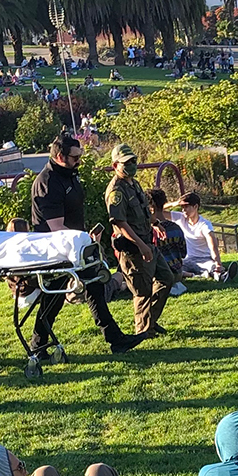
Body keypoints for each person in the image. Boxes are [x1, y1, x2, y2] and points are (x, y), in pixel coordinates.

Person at [28, 136, 144, 355]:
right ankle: (37, 345)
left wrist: (85, 236)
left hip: (75, 245)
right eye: (75, 157)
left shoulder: (69, 175)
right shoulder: (48, 181)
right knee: (54, 297)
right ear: (60, 156)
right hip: (58, 249)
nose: (79, 161)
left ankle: (114, 338)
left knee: (93, 288)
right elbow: (56, 227)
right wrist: (82, 240)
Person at [104, 144, 175, 337]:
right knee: (142, 291)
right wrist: (141, 246)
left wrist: (155, 223)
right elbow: (120, 223)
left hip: (147, 241)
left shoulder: (133, 183)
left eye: (133, 161)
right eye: (127, 162)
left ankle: (150, 320)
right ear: (115, 165)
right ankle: (143, 330)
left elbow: (142, 210)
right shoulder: (116, 191)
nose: (132, 165)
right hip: (133, 248)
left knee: (166, 278)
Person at [168, 192, 237, 284]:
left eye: (186, 207)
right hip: (188, 260)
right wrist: (174, 203)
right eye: (182, 207)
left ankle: (221, 275)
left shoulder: (204, 224)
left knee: (212, 267)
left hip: (205, 259)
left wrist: (218, 264)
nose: (183, 210)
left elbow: (213, 246)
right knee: (172, 269)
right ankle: (195, 275)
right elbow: (156, 212)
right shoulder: (180, 218)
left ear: (195, 207)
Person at [149, 189, 188, 297]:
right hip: (178, 274)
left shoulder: (149, 232)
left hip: (161, 276)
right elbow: (183, 253)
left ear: (151, 208)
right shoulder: (176, 228)